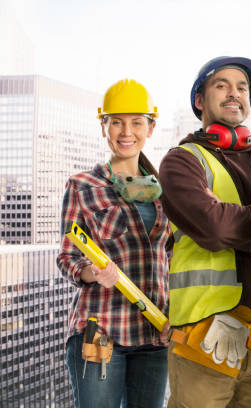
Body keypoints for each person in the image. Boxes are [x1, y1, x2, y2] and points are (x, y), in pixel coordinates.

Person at [158, 56, 251, 408]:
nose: (234, 94)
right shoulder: (182, 161)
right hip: (204, 336)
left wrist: (238, 217)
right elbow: (212, 227)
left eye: (242, 87)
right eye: (222, 85)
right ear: (200, 100)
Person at [57, 79, 171, 408]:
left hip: (154, 333)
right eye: (116, 121)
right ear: (103, 126)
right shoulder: (83, 185)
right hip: (101, 329)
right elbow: (66, 256)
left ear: (150, 128)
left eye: (137, 122)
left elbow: (174, 260)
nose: (126, 131)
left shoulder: (166, 189)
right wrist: (91, 272)